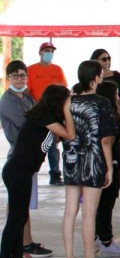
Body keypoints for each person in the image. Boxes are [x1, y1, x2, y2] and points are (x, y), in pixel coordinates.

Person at [0, 85, 74, 258]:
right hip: (17, 172)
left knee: (21, 216)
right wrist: (66, 110)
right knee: (15, 219)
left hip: (23, 172)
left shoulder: (45, 118)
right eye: (67, 99)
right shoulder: (44, 118)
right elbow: (70, 134)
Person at [62, 60, 115, 258]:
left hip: (71, 159)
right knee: (89, 214)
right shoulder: (101, 102)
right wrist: (109, 166)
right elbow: (105, 139)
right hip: (93, 161)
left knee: (69, 211)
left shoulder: (68, 101)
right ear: (95, 77)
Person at [0, 60, 52, 258]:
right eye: (15, 76)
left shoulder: (27, 96)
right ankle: (13, 251)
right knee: (17, 208)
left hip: (30, 158)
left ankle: (26, 243)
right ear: (8, 78)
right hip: (18, 158)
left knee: (24, 205)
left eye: (23, 75)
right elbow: (30, 124)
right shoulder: (7, 101)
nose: (20, 79)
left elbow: (37, 117)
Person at [27, 42, 68, 185]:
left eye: (51, 51)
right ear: (40, 53)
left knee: (53, 144)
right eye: (46, 50)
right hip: (37, 112)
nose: (49, 53)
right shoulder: (31, 70)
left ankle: (55, 174)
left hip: (53, 112)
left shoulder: (57, 70)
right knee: (35, 143)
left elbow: (63, 90)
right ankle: (29, 172)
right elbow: (28, 92)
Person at [94, 81, 120, 257]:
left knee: (99, 203)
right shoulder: (110, 116)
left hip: (101, 161)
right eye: (115, 93)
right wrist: (110, 168)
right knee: (106, 202)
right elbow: (108, 141)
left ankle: (98, 235)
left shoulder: (97, 113)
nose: (118, 96)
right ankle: (106, 240)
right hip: (110, 161)